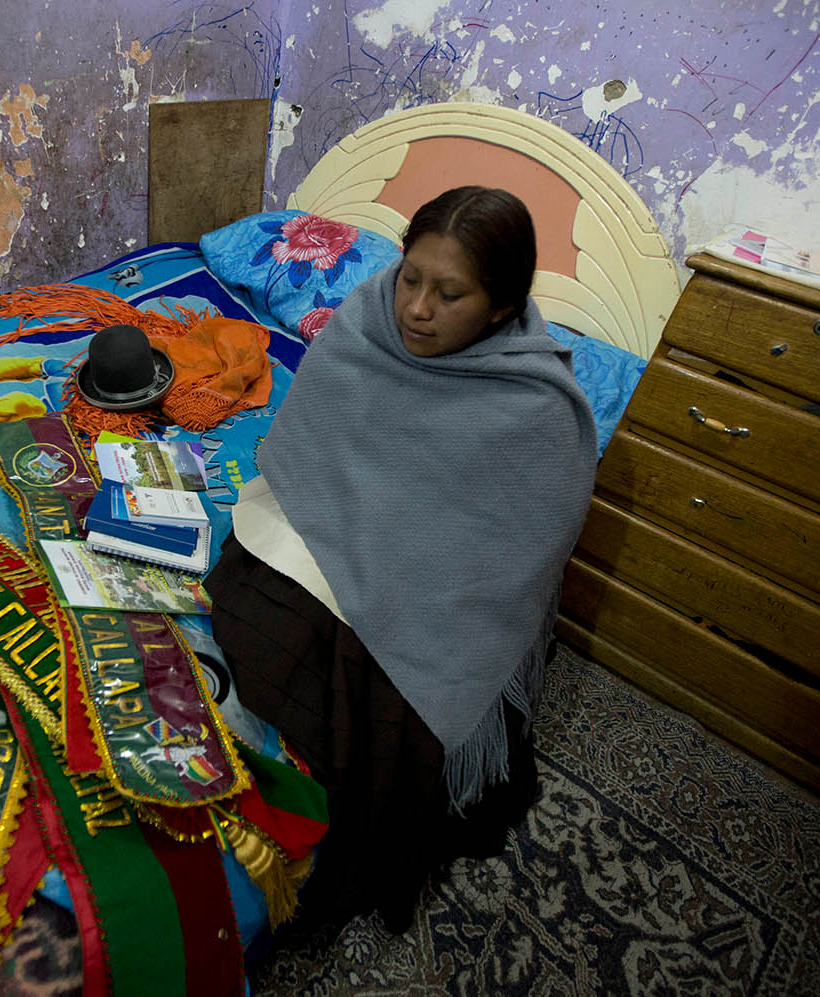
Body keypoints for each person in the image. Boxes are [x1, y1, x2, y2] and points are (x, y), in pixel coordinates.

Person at [205, 186, 597, 932]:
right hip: (322, 529)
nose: (415, 308)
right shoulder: (366, 318)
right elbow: (311, 453)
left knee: (354, 715)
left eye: (450, 294)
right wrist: (344, 537)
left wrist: (386, 574)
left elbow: (508, 564)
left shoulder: (539, 410)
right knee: (244, 633)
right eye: (411, 277)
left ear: (501, 309)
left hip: (428, 596)